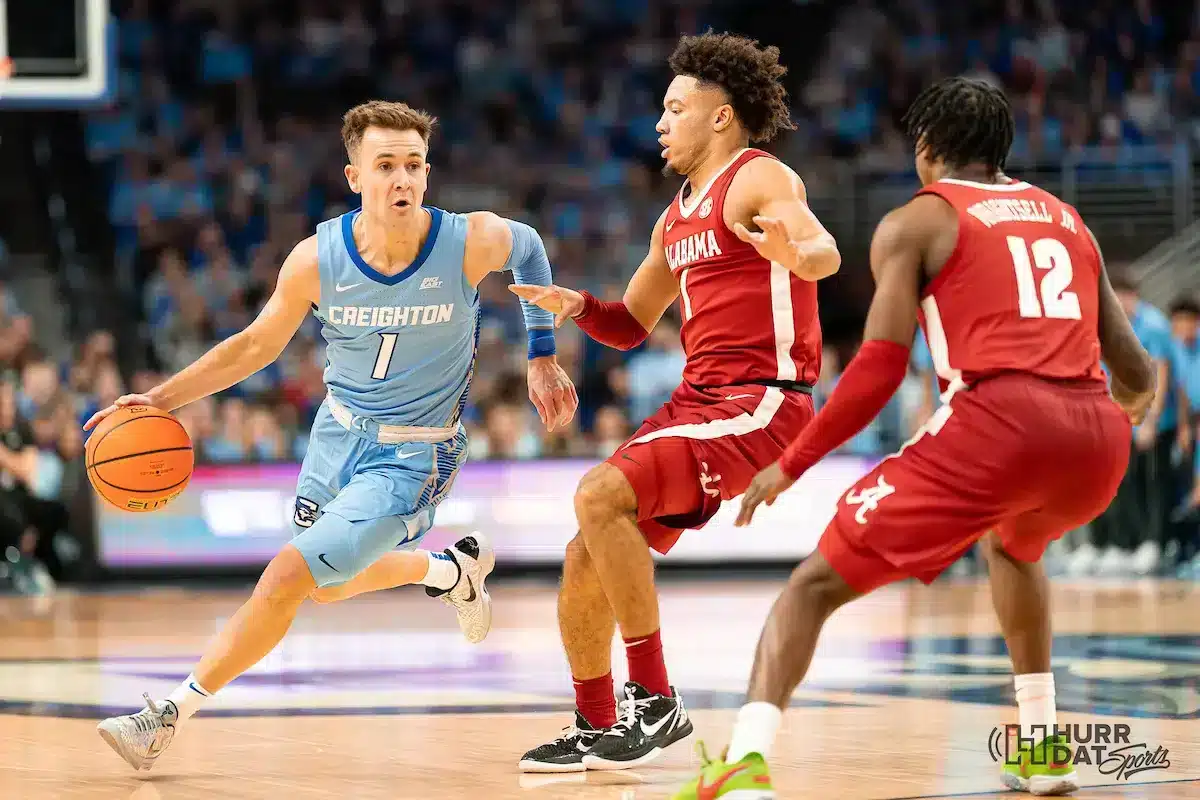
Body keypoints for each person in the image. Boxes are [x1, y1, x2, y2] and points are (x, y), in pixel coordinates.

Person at [671, 77, 1156, 799]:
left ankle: (743, 762)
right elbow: (1137, 372)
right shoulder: (1068, 220)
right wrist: (1114, 418)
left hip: (998, 428)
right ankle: (1044, 745)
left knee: (810, 589)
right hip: (1096, 441)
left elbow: (878, 369)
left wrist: (793, 463)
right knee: (1016, 549)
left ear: (927, 149)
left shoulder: (919, 222)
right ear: (1001, 152)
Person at [89, 100, 578, 772]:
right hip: (335, 435)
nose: (401, 179)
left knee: (288, 574)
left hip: (414, 454)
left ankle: (167, 714)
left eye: (413, 166)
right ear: (355, 177)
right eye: (385, 166)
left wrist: (542, 353)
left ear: (427, 174)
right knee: (323, 585)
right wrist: (161, 399)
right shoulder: (316, 258)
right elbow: (256, 344)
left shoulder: (465, 242)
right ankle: (450, 571)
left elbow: (528, 246)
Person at [512, 31, 840, 773]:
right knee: (583, 553)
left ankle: (656, 702)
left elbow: (824, 250)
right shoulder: (675, 216)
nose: (660, 123)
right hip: (700, 402)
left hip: (765, 400)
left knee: (598, 496)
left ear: (719, 118)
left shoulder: (760, 179)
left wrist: (800, 256)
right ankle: (597, 725)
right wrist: (579, 306)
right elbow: (630, 324)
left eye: (674, 108)